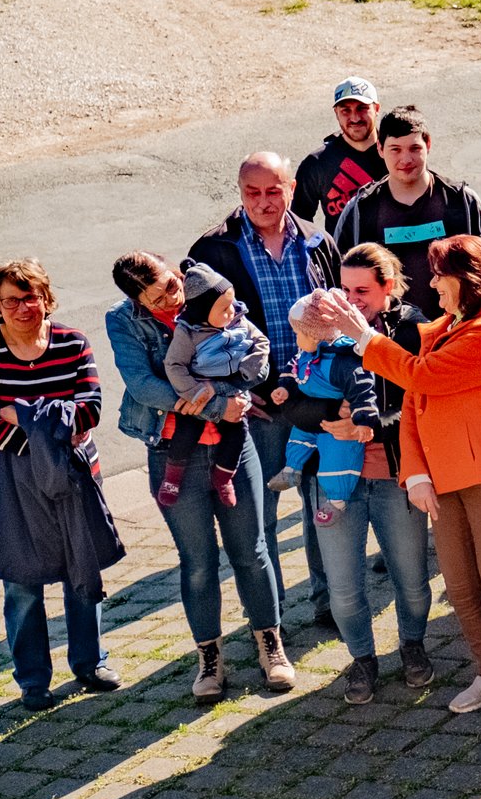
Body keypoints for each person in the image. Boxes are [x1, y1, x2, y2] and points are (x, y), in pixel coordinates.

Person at [316, 237, 481, 725]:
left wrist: (365, 338)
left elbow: (424, 377)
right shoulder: (440, 329)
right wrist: (414, 472)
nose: (433, 282)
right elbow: (415, 407)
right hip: (443, 479)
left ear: (466, 279)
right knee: (461, 587)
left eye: (440, 274)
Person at [106, 253, 287, 702]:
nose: (173, 296)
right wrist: (214, 406)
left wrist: (242, 387)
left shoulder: (209, 289)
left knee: (252, 551)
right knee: (199, 561)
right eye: (159, 296)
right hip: (172, 450)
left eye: (172, 282)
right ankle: (210, 659)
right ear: (138, 301)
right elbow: (143, 385)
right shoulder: (123, 321)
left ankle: (271, 646)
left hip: (232, 442)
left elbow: (251, 346)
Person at [189, 151, 342, 627]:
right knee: (262, 515)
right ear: (240, 193)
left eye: (273, 190)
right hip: (256, 404)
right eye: (252, 192)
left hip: (315, 393)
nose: (263, 202)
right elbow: (194, 333)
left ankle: (329, 602)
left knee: (324, 504)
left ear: (292, 188)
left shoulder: (318, 241)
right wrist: (231, 388)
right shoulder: (213, 250)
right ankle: (269, 615)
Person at [0, 260, 125, 711]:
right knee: (22, 583)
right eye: (11, 300)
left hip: (75, 478)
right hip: (6, 485)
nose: (23, 307)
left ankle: (89, 663)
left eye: (31, 297)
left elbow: (91, 411)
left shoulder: (72, 342)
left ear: (46, 298)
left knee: (81, 569)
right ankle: (32, 680)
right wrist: (52, 423)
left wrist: (22, 413)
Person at [317, 243, 435, 703]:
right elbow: (294, 390)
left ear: (389, 288)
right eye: (345, 289)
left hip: (395, 476)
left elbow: (421, 404)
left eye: (362, 290)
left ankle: (413, 645)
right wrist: (329, 415)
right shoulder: (321, 323)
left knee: (412, 580)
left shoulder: (411, 327)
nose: (352, 299)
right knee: (344, 588)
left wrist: (366, 428)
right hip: (331, 479)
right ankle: (362, 659)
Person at [335, 106, 481, 321]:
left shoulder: (461, 201)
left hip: (456, 333)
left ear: (428, 145)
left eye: (414, 148)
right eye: (395, 149)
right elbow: (340, 280)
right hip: (387, 340)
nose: (405, 159)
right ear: (379, 148)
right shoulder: (361, 210)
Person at [160, 262, 271, 509]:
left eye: (231, 303)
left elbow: (261, 342)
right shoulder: (188, 332)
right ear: (201, 311)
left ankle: (223, 477)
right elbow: (174, 365)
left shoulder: (239, 320)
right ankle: (172, 478)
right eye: (222, 309)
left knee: (237, 432)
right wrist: (195, 393)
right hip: (199, 391)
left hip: (234, 385)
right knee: (187, 432)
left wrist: (249, 369)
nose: (231, 311)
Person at [269, 292, 382, 526]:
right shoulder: (306, 354)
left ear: (315, 334)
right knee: (298, 436)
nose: (296, 338)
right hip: (314, 415)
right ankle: (293, 469)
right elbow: (293, 369)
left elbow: (361, 387)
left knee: (336, 458)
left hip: (337, 426)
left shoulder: (342, 360)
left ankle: (336, 501)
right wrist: (285, 387)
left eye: (299, 333)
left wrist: (363, 419)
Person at [294, 77, 386, 225]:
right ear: (336, 113)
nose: (354, 118)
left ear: (376, 109)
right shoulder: (317, 164)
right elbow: (299, 222)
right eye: (345, 110)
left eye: (362, 108)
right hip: (343, 249)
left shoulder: (397, 153)